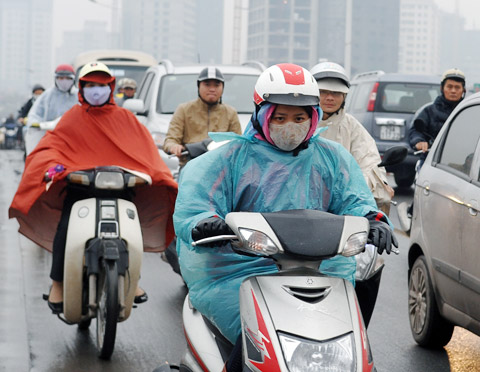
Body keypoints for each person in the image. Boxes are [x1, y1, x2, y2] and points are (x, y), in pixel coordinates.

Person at [173, 63, 398, 371]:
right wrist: (205, 222)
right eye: (280, 117)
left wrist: (374, 220)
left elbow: (356, 199)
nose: (289, 125)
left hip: (321, 267)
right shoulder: (229, 158)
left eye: (299, 117)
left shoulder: (332, 157)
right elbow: (196, 203)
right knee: (256, 338)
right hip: (240, 270)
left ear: (313, 117)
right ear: (261, 114)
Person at [9, 62, 178, 314]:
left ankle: (135, 279)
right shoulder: (72, 118)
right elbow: (52, 146)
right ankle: (58, 283)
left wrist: (154, 173)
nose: (95, 90)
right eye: (90, 85)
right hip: (81, 190)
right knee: (66, 225)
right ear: (82, 88)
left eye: (100, 85)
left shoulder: (126, 119)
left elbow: (146, 152)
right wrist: (53, 167)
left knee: (133, 225)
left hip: (121, 189)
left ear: (110, 88)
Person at [310, 61, 395, 327]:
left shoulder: (353, 129)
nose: (330, 97)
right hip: (289, 219)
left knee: (370, 267)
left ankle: (357, 335)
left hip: (341, 221)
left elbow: (369, 164)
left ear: (345, 96)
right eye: (323, 91)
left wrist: (375, 205)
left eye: (336, 93)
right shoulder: (294, 121)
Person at [397, 68, 466, 232]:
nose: (453, 90)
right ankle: (413, 215)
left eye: (457, 87)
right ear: (443, 88)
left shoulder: (468, 111)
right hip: (432, 161)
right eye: (450, 86)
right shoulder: (428, 110)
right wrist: (419, 142)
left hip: (463, 164)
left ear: (463, 90)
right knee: (423, 188)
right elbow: (415, 131)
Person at [163, 66, 242, 168]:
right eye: (207, 84)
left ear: (222, 87)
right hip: (190, 166)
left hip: (220, 168)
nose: (212, 89)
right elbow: (171, 139)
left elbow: (238, 143)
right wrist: (173, 147)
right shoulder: (184, 109)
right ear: (198, 86)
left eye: (217, 85)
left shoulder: (230, 112)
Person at [24, 64, 79, 156]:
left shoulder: (79, 95)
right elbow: (35, 114)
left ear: (74, 79)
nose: (64, 81)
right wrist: (34, 123)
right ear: (55, 79)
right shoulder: (47, 96)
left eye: (68, 78)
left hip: (75, 140)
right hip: (50, 139)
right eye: (61, 78)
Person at [17, 84, 45, 149]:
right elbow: (23, 111)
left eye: (40, 93)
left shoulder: (47, 102)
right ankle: (22, 144)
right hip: (31, 125)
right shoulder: (30, 102)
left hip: (44, 125)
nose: (38, 95)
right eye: (36, 93)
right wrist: (21, 118)